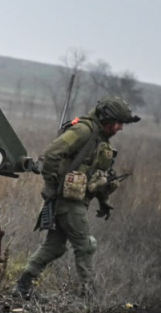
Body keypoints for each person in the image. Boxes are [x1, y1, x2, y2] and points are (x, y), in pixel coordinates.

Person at [14, 96, 139, 299]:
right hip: (67, 202)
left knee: (54, 247)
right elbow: (52, 153)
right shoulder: (83, 131)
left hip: (76, 201)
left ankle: (22, 286)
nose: (120, 128)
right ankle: (89, 297)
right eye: (118, 123)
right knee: (85, 245)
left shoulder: (100, 139)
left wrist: (103, 201)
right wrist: (52, 185)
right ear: (107, 119)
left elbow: (94, 175)